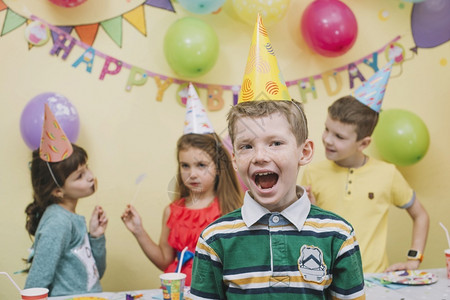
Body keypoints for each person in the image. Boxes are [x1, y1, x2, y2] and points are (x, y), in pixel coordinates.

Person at [190, 14, 365, 300]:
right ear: (234, 159)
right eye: (246, 146)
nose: (259, 156)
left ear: (304, 152)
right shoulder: (215, 239)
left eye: (275, 143)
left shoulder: (338, 235)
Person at [121, 84, 242, 286]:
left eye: (201, 165)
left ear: (218, 166)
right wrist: (138, 231)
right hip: (177, 291)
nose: (192, 173)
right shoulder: (173, 212)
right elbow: (164, 261)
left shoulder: (230, 210)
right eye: (185, 165)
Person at [301, 94, 430, 274]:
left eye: (339, 136)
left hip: (373, 279)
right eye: (327, 129)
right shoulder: (312, 173)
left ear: (364, 143)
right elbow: (304, 232)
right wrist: (311, 211)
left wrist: (414, 259)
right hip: (328, 279)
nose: (328, 139)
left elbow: (421, 216)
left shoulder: (387, 173)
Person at [24, 104, 108, 297]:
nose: (90, 177)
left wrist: (96, 236)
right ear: (57, 191)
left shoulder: (69, 217)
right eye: (79, 176)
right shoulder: (57, 222)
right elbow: (35, 285)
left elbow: (96, 274)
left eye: (86, 168)